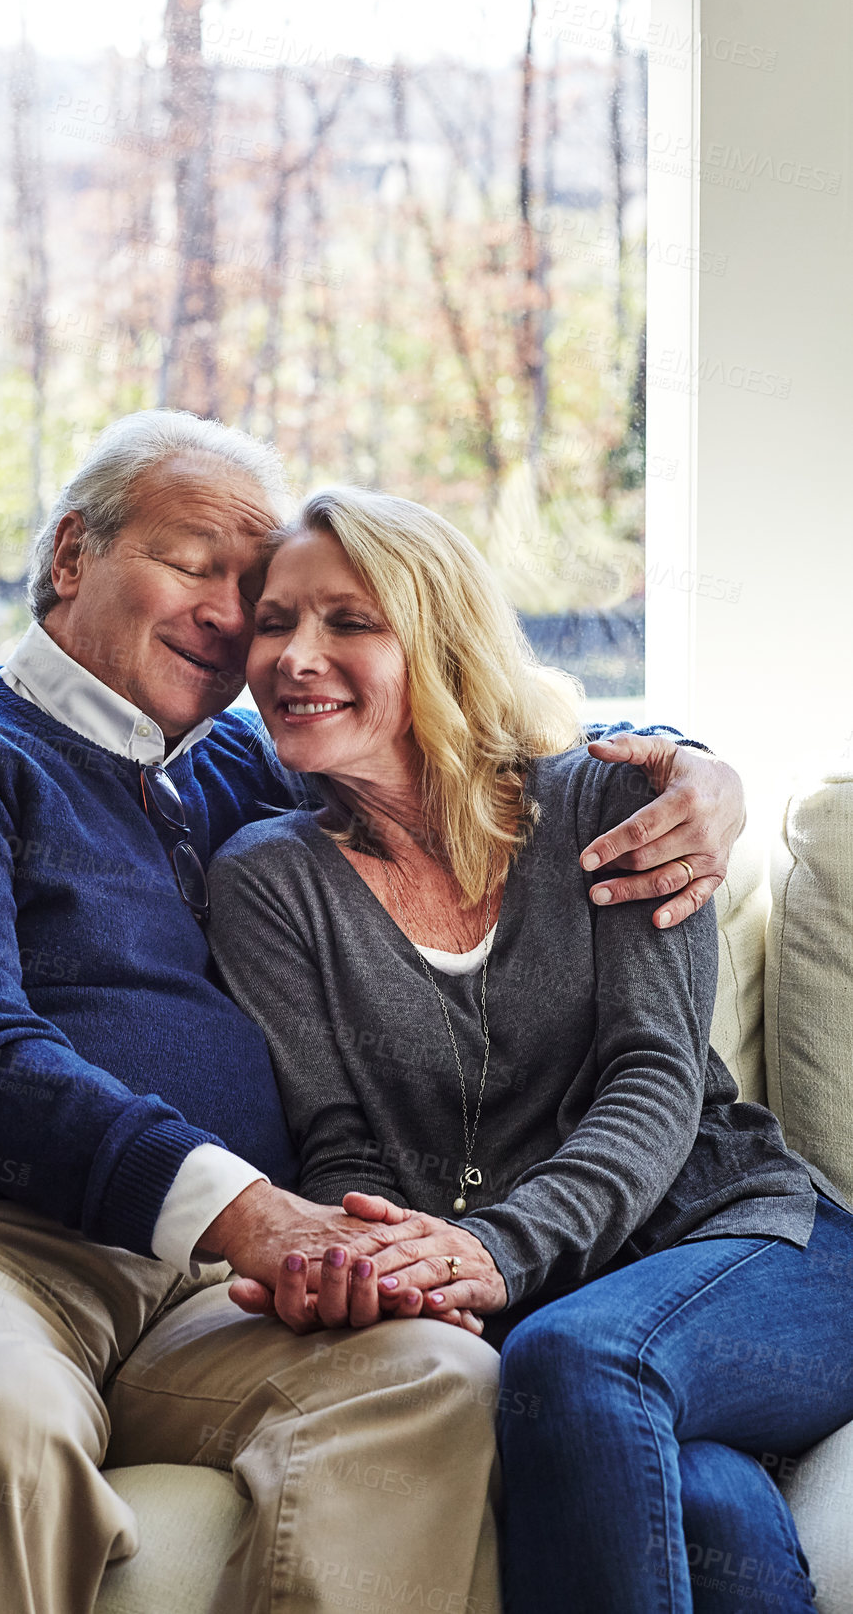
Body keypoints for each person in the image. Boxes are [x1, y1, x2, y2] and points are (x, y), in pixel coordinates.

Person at [0, 411, 744, 1614]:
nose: (230, 613)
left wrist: (688, 766)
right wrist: (251, 1212)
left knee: (431, 1375)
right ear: (68, 557)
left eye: (250, 589)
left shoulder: (234, 766)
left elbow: (474, 732)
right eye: (192, 561)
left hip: (182, 1290)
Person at [204, 485, 853, 1613]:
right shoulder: (268, 881)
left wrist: (493, 1248)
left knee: (576, 1362)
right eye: (273, 621)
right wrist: (372, 1265)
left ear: (440, 638)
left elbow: (652, 1078)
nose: (295, 656)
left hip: (749, 1247)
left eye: (349, 622)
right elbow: (338, 1137)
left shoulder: (617, 803)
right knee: (700, 1502)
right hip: (552, 1302)